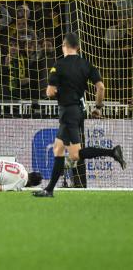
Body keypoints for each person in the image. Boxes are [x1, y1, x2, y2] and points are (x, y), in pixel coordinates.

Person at [33, 32, 126, 197]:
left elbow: (50, 92)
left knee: (75, 154)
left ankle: (112, 152)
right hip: (78, 111)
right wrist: (98, 107)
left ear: (64, 46)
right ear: (79, 47)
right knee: (58, 148)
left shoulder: (58, 65)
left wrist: (57, 90)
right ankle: (49, 190)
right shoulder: (86, 64)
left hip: (68, 112)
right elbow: (101, 87)